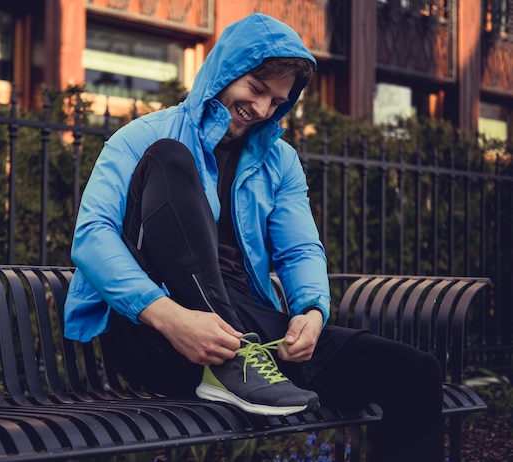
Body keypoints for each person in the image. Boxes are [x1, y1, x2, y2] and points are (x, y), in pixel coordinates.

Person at [64, 13, 444, 461]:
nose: (263, 109)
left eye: (277, 99)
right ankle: (228, 363)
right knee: (169, 158)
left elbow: (299, 248)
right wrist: (170, 318)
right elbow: (92, 235)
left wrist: (311, 311)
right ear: (225, 71)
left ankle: (236, 361)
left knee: (415, 372)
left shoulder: (279, 160)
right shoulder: (143, 137)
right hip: (161, 332)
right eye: (256, 89)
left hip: (254, 338)